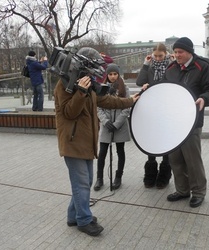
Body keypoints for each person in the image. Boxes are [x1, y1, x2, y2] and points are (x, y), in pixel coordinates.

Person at [54, 47, 139, 236]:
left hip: (86, 142)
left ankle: (73, 216)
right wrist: (81, 92)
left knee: (85, 181)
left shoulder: (87, 84)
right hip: (73, 142)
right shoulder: (64, 85)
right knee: (82, 183)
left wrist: (130, 100)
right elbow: (69, 112)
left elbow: (108, 101)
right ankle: (84, 220)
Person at [163, 37, 209, 208]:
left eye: (180, 52)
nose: (176, 55)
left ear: (189, 52)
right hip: (173, 122)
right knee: (175, 158)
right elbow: (164, 89)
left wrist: (204, 98)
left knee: (192, 159)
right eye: (175, 52)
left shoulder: (202, 67)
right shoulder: (171, 68)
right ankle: (182, 190)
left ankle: (198, 192)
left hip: (192, 121)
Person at [136, 43, 174, 189]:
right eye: (155, 56)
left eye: (160, 56)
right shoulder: (150, 66)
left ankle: (164, 176)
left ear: (166, 54)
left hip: (166, 110)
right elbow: (139, 81)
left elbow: (176, 82)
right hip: (152, 111)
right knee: (151, 143)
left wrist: (173, 62)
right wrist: (146, 64)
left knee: (166, 144)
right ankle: (150, 175)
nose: (157, 58)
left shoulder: (171, 66)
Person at [94, 64, 131, 191]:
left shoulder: (124, 88)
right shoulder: (101, 88)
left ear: (118, 74)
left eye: (115, 74)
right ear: (107, 75)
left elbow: (127, 107)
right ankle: (99, 178)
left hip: (119, 125)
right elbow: (98, 107)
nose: (113, 77)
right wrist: (105, 121)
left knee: (120, 151)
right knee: (102, 152)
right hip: (107, 124)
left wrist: (117, 123)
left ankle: (118, 177)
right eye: (110, 74)